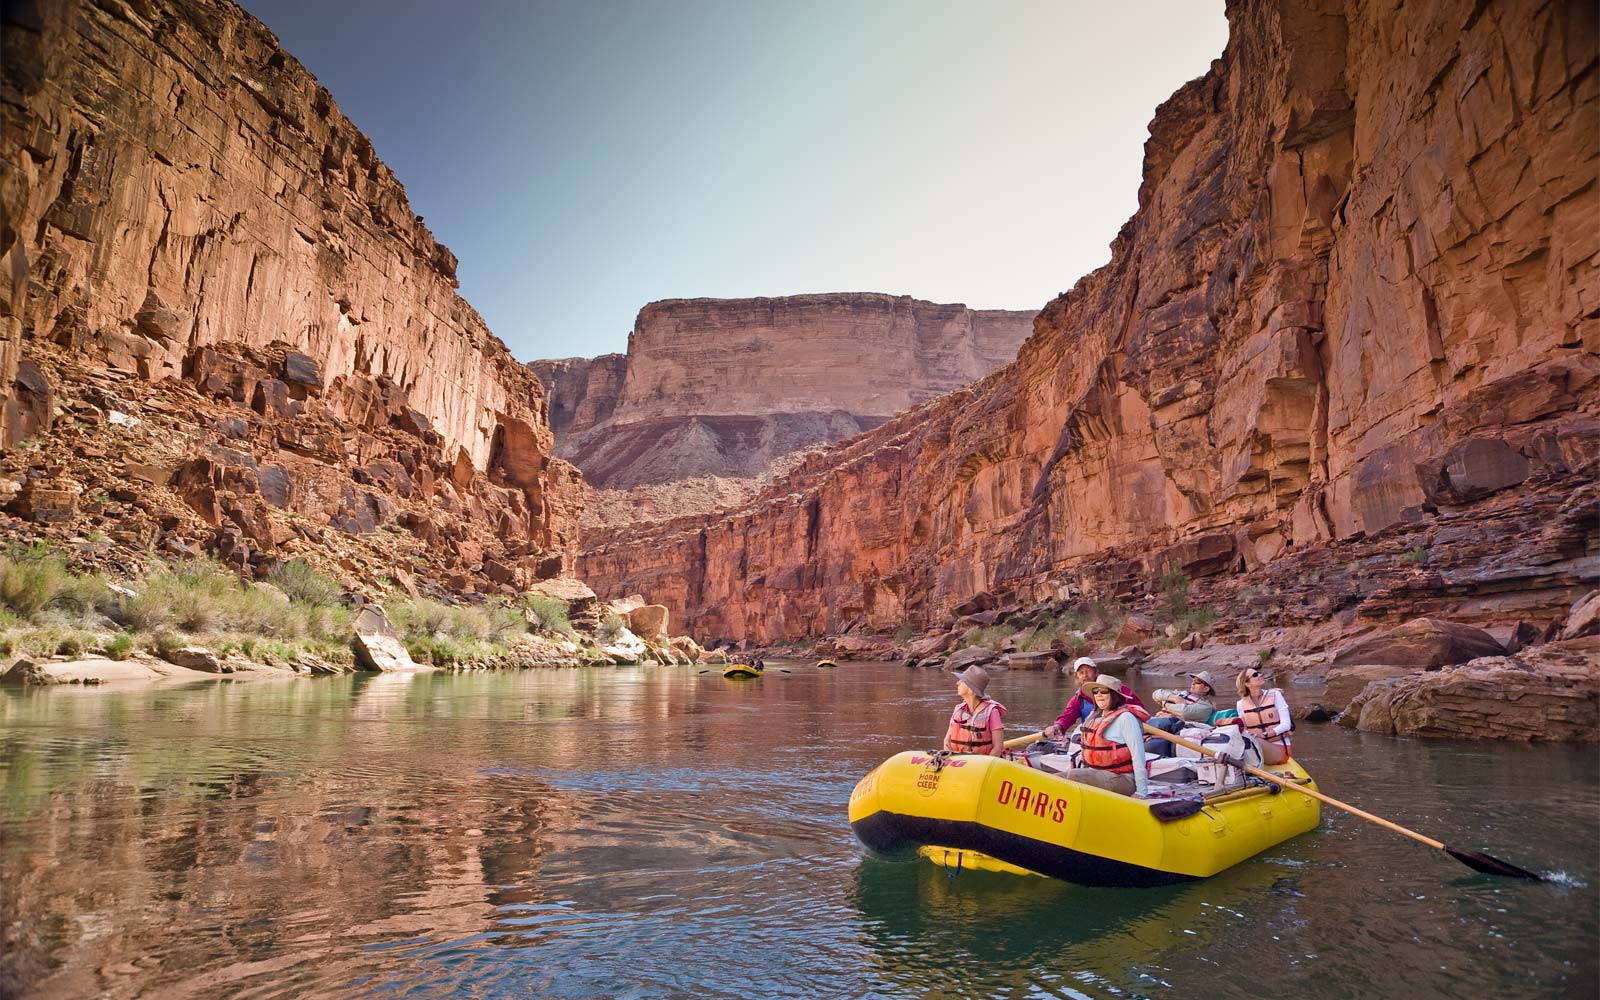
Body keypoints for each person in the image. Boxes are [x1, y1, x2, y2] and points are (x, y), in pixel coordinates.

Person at [1061, 674, 1151, 796]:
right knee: (1052, 778)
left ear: (1114, 695)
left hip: (1123, 779)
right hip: (1097, 774)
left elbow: (1138, 756)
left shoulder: (1126, 718)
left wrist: (1141, 792)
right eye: (1095, 691)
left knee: (1074, 775)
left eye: (1103, 691)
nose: (1098, 695)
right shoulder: (1094, 717)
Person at [1042, 657, 1146, 739]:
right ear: (1077, 676)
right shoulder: (1079, 698)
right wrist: (1058, 726)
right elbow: (1067, 717)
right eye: (1081, 673)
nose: (1085, 675)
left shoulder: (1117, 689)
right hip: (1094, 736)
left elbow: (1139, 710)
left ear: (1096, 672)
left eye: (1088, 671)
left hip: (1121, 735)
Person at [1144, 671, 1218, 756]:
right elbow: (1156, 694)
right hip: (1156, 721)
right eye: (1193, 681)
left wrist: (1165, 703)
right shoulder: (1179, 694)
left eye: (1197, 682)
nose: (1192, 684)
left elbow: (1184, 712)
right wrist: (1174, 698)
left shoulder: (1206, 706)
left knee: (1164, 723)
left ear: (1206, 689)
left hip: (1171, 729)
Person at [943, 665, 1006, 756]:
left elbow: (998, 747)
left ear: (971, 689)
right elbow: (947, 740)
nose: (957, 683)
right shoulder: (958, 710)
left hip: (984, 763)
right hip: (958, 761)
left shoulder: (992, 712)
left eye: (962, 681)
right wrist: (949, 758)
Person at [1236, 667, 1293, 764]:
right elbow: (1244, 730)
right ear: (1247, 684)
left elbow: (1287, 724)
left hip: (1279, 750)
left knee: (1250, 739)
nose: (1260, 675)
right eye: (1255, 675)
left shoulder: (1275, 695)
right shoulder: (1241, 704)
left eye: (1258, 673)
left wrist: (1264, 735)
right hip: (1257, 748)